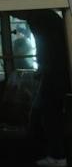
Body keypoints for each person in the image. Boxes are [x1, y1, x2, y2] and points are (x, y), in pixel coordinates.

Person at [19, 10, 70, 167]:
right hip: (58, 74)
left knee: (49, 115)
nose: (14, 15)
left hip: (55, 76)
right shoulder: (46, 17)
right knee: (49, 115)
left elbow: (46, 48)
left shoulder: (40, 19)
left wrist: (42, 68)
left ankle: (58, 156)